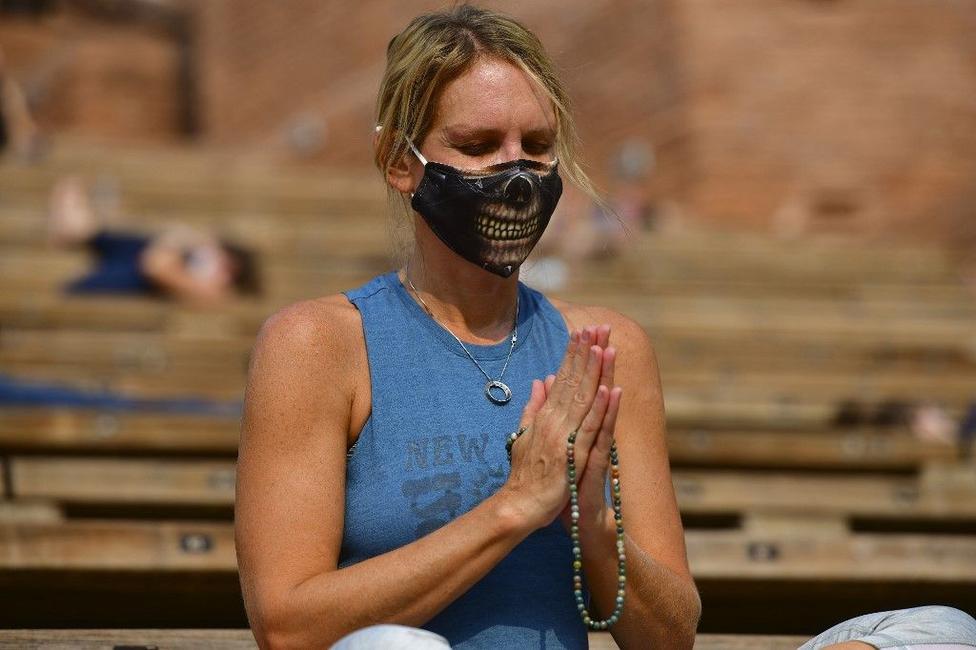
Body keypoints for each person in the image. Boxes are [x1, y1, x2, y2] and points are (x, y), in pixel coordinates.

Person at [234, 6, 976, 649]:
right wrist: (514, 508)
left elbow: (669, 635)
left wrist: (590, 519)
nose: (515, 170)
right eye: (478, 145)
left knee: (940, 630)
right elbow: (289, 627)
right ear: (402, 163)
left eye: (536, 143)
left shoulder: (607, 347)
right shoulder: (321, 343)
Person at [48, 175, 260, 304]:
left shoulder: (214, 289)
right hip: (135, 258)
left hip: (135, 273)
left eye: (227, 267)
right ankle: (73, 223)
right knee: (95, 233)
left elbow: (155, 266)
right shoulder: (202, 264)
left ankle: (73, 222)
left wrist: (177, 243)